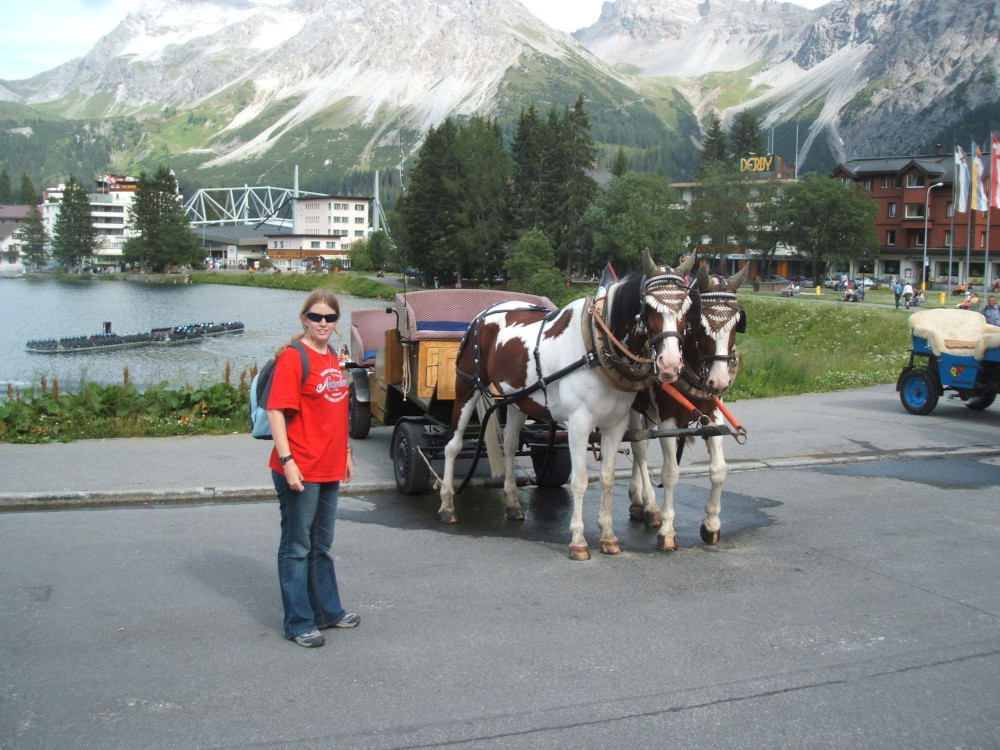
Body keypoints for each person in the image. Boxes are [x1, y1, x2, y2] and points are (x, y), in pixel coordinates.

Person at [266, 290, 359, 648]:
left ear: (336, 323)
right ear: (304, 318)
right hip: (301, 466)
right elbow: (276, 411)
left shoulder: (333, 355)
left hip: (330, 464)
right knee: (297, 546)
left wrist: (347, 450)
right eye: (316, 317)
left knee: (321, 544)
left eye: (330, 318)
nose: (323, 323)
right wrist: (288, 462)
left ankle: (327, 612)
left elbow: (336, 410)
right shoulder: (294, 357)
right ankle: (299, 622)